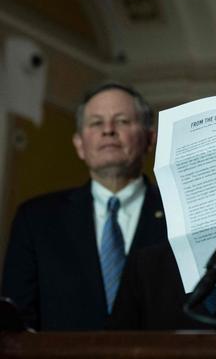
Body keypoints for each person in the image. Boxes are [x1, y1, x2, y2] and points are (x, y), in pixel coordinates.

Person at [2, 82, 167, 330]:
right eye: (96, 123)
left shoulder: (179, 213)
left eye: (122, 121)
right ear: (79, 144)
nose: (108, 130)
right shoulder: (36, 219)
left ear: (150, 138)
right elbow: (17, 323)